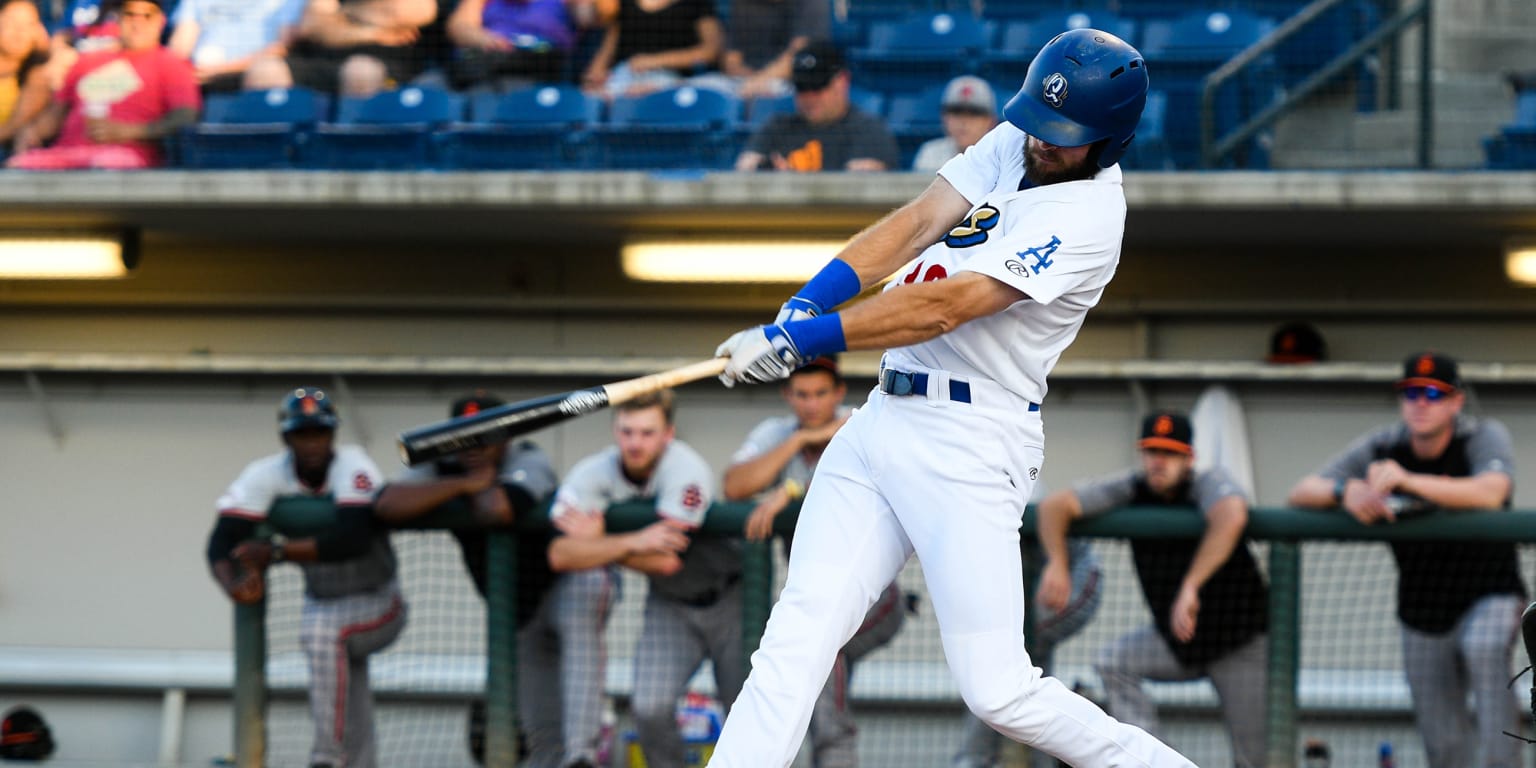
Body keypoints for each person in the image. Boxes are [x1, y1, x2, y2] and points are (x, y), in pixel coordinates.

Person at [708, 27, 1193, 767]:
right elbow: (917, 223)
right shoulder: (1022, 137)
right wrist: (804, 305)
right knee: (796, 636)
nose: (1041, 141)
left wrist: (809, 343)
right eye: (1039, 120)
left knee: (998, 689)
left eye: (1065, 135)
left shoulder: (1091, 218)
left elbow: (950, 304)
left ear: (1110, 140)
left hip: (971, 436)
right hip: (882, 418)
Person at [1288, 351, 1525, 768]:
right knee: (1443, 741)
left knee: (1485, 648)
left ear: (1455, 402)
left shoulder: (1480, 436)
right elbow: (1302, 490)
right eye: (1411, 392)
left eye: (1434, 393)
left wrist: (1408, 481)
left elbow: (1493, 490)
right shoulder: (1385, 444)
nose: (1421, 402)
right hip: (1422, 605)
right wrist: (1347, 492)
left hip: (1489, 593)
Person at [373, 392, 599, 768]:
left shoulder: (528, 456)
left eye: (485, 436)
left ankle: (584, 754)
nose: (473, 447)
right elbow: (386, 505)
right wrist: (464, 484)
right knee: (539, 725)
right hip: (518, 609)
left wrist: (477, 486)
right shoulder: (447, 468)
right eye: (464, 436)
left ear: (505, 436)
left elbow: (498, 510)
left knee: (577, 663)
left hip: (569, 583)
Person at [1040, 411, 1269, 768]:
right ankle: (1155, 763)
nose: (1159, 461)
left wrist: (1191, 586)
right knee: (1113, 662)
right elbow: (1056, 506)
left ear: (1189, 458)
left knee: (1256, 760)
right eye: (1151, 451)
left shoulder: (1206, 482)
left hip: (1238, 642)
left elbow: (1232, 514)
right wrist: (1058, 562)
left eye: (1170, 453)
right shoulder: (1133, 487)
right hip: (1178, 636)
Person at [205, 386, 406, 768]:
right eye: (303, 434)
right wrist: (232, 582)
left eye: (320, 432)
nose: (312, 443)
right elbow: (221, 540)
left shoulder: (353, 463)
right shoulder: (266, 473)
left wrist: (277, 551)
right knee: (348, 683)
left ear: (332, 434)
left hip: (379, 599)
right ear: (287, 437)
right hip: (323, 599)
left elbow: (354, 537)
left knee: (320, 634)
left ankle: (326, 759)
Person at [721, 356, 906, 768]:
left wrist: (789, 488)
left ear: (838, 392)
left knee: (822, 648)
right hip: (821, 595)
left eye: (821, 393)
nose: (811, 403)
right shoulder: (777, 432)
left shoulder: (862, 423)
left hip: (877, 596)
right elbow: (734, 484)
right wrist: (800, 441)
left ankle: (835, 754)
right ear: (788, 395)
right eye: (801, 394)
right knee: (816, 653)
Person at [546, 389, 741, 768]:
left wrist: (599, 541)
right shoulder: (594, 471)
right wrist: (634, 541)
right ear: (615, 430)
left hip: (731, 596)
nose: (635, 442)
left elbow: (665, 559)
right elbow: (560, 553)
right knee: (648, 706)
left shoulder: (686, 468)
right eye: (627, 431)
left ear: (667, 433)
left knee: (744, 711)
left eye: (647, 432)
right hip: (669, 604)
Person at [950, 531, 1102, 768]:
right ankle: (979, 758)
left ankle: (975, 759)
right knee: (1013, 668)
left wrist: (1057, 563)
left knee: (1013, 662)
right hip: (1024, 599)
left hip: (1065, 578)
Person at [7, 0, 198, 170]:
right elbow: (56, 114)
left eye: (147, 16)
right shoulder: (87, 61)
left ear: (160, 21)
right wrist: (31, 132)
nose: (137, 23)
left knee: (109, 165)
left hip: (127, 156)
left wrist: (131, 131)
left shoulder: (172, 64)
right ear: (119, 19)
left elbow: (185, 116)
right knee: (18, 166)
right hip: (68, 152)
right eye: (130, 14)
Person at [734, 40, 897, 173]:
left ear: (842, 82)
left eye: (818, 87)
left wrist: (791, 183)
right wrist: (766, 171)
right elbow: (744, 168)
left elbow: (861, 188)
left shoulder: (868, 129)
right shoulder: (778, 127)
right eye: (803, 88)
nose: (809, 97)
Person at [248, 0, 438, 97]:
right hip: (320, 58)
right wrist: (373, 30)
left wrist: (340, 16)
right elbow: (312, 26)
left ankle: (358, 157)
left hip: (387, 60)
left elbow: (410, 12)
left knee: (360, 71)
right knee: (267, 70)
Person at [444, 0, 601, 91]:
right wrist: (487, 40)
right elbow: (458, 26)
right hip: (482, 64)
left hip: (538, 71)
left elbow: (593, 16)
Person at [580, 0, 721, 99]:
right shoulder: (624, 4)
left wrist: (653, 61)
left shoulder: (697, 4)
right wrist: (595, 76)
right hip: (623, 79)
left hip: (672, 82)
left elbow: (710, 51)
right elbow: (607, 50)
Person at [167, 0, 308, 93]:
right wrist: (181, 69)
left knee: (269, 71)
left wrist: (220, 70)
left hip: (256, 70)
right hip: (201, 73)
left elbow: (283, 48)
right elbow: (180, 46)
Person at [718, 0, 826, 99]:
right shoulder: (744, 3)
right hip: (745, 80)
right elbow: (732, 60)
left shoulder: (811, 3)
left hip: (789, 81)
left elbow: (797, 57)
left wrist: (758, 80)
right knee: (709, 89)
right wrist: (750, 79)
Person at [912, 75, 999, 174]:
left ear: (991, 121)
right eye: (956, 112)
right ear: (944, 118)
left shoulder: (1000, 157)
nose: (964, 121)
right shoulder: (931, 153)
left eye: (974, 113)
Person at [0, 0, 51, 150]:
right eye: (11, 22)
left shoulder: (38, 75)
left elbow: (14, 126)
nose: (19, 32)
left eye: (29, 25)